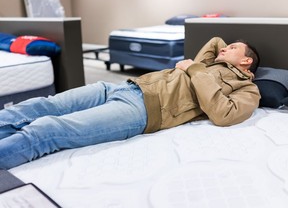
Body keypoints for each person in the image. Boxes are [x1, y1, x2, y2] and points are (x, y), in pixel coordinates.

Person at [0, 37, 260, 169]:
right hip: (119, 87)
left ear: (247, 61)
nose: (224, 48)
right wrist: (212, 60)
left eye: (233, 47)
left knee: (47, 130)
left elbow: (224, 114)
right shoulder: (211, 61)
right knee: (40, 106)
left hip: (142, 110)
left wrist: (194, 69)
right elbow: (215, 40)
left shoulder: (248, 89)